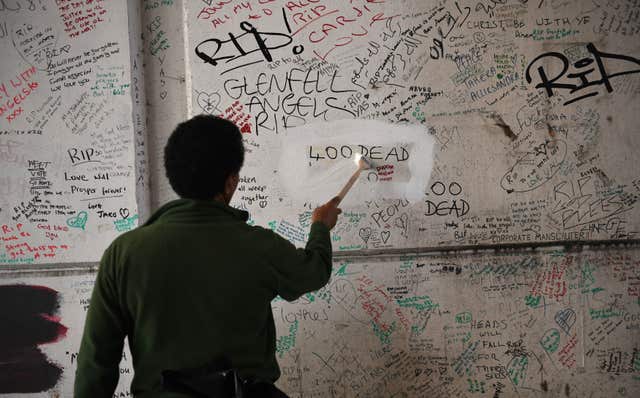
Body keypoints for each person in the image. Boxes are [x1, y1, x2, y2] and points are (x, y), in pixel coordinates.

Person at [74, 115, 342, 397]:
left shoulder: (124, 253)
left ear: (173, 175)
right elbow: (313, 272)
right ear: (229, 182)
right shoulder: (258, 246)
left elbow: (96, 362)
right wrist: (320, 228)